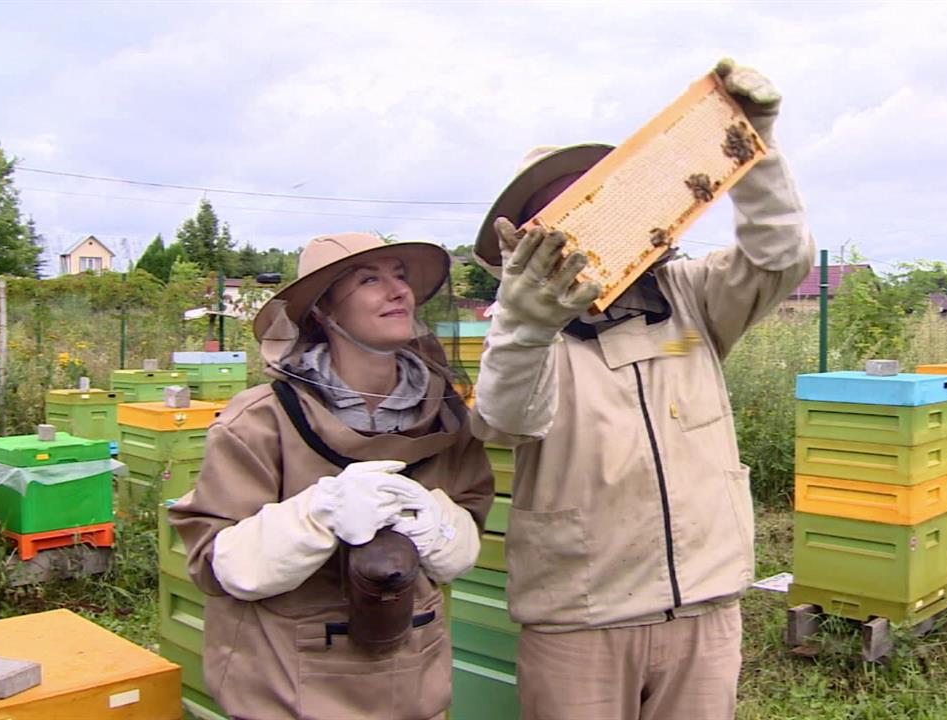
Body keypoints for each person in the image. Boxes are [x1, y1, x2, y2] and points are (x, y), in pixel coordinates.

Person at [469, 59, 815, 719]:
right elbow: (509, 417)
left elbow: (779, 257)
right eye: (557, 213)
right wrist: (526, 324)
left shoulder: (694, 298)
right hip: (581, 621)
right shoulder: (521, 339)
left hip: (705, 608)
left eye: (594, 197)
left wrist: (752, 146)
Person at [170, 232, 493, 720]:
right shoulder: (260, 421)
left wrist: (441, 524)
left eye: (400, 277)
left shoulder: (446, 418)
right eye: (370, 279)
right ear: (323, 311)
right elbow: (214, 562)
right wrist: (316, 515)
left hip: (415, 687)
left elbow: (468, 525)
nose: (398, 291)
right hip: (288, 690)